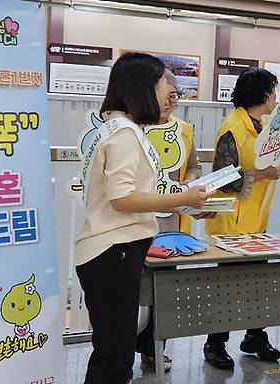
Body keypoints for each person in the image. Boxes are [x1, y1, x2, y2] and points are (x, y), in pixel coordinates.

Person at [74, 52, 212, 384]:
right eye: (165, 83)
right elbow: (122, 198)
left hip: (116, 250)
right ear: (142, 87)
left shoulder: (125, 128)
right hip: (113, 251)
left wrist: (186, 204)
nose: (171, 93)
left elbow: (138, 192)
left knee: (115, 350)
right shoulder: (123, 133)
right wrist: (184, 198)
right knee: (114, 355)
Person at [203, 67, 280, 370]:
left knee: (256, 283)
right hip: (231, 225)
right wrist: (264, 174)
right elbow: (222, 179)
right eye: (274, 92)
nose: (276, 98)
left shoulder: (259, 127)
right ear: (262, 95)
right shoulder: (232, 128)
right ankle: (215, 343)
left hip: (254, 223)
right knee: (227, 285)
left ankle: (254, 336)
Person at [135, 69, 204, 373]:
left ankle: (153, 350)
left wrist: (185, 186)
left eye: (175, 96)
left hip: (172, 224)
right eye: (166, 95)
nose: (170, 102)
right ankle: (126, 349)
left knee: (162, 290)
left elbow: (195, 166)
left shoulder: (184, 129)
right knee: (135, 292)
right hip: (140, 219)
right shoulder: (135, 129)